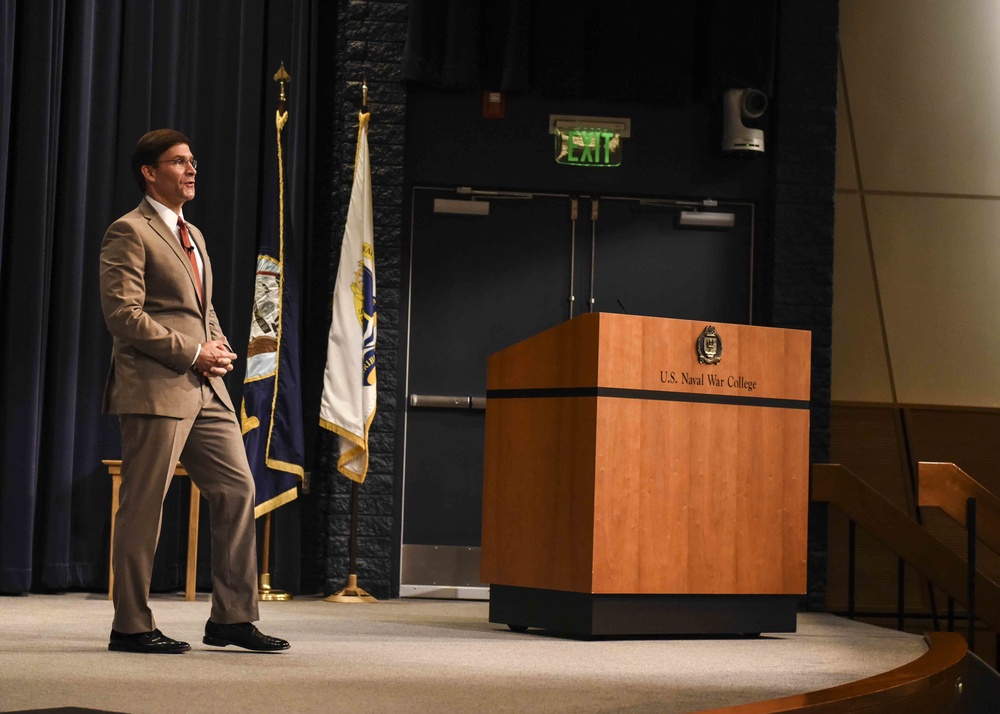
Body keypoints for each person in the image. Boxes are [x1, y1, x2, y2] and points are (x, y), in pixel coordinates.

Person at [99, 129, 289, 654]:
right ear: (149, 171)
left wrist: (219, 344)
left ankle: (231, 618)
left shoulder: (195, 234)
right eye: (179, 162)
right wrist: (192, 351)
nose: (191, 170)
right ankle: (131, 625)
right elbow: (123, 316)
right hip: (157, 387)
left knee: (238, 491)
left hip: (208, 388)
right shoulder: (128, 231)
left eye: (193, 162)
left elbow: (200, 309)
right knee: (144, 504)